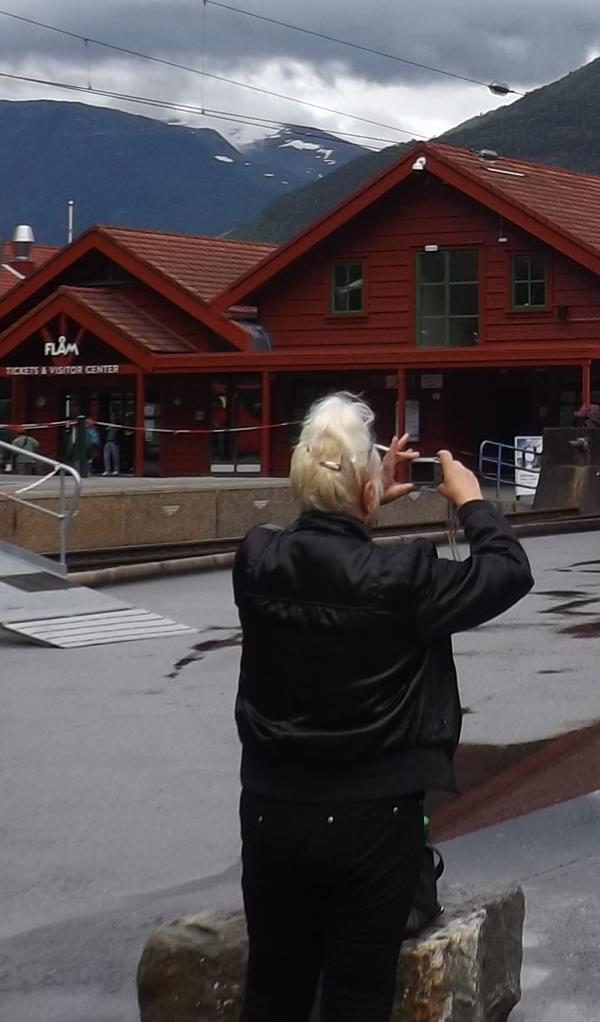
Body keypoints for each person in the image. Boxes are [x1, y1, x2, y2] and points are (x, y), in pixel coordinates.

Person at [232, 395, 534, 1021]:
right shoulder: (402, 577)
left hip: (270, 809)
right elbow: (507, 570)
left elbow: (318, 555)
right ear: (368, 493)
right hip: (371, 822)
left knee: (273, 995)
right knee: (358, 999)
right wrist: (471, 501)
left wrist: (360, 500)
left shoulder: (256, 559)